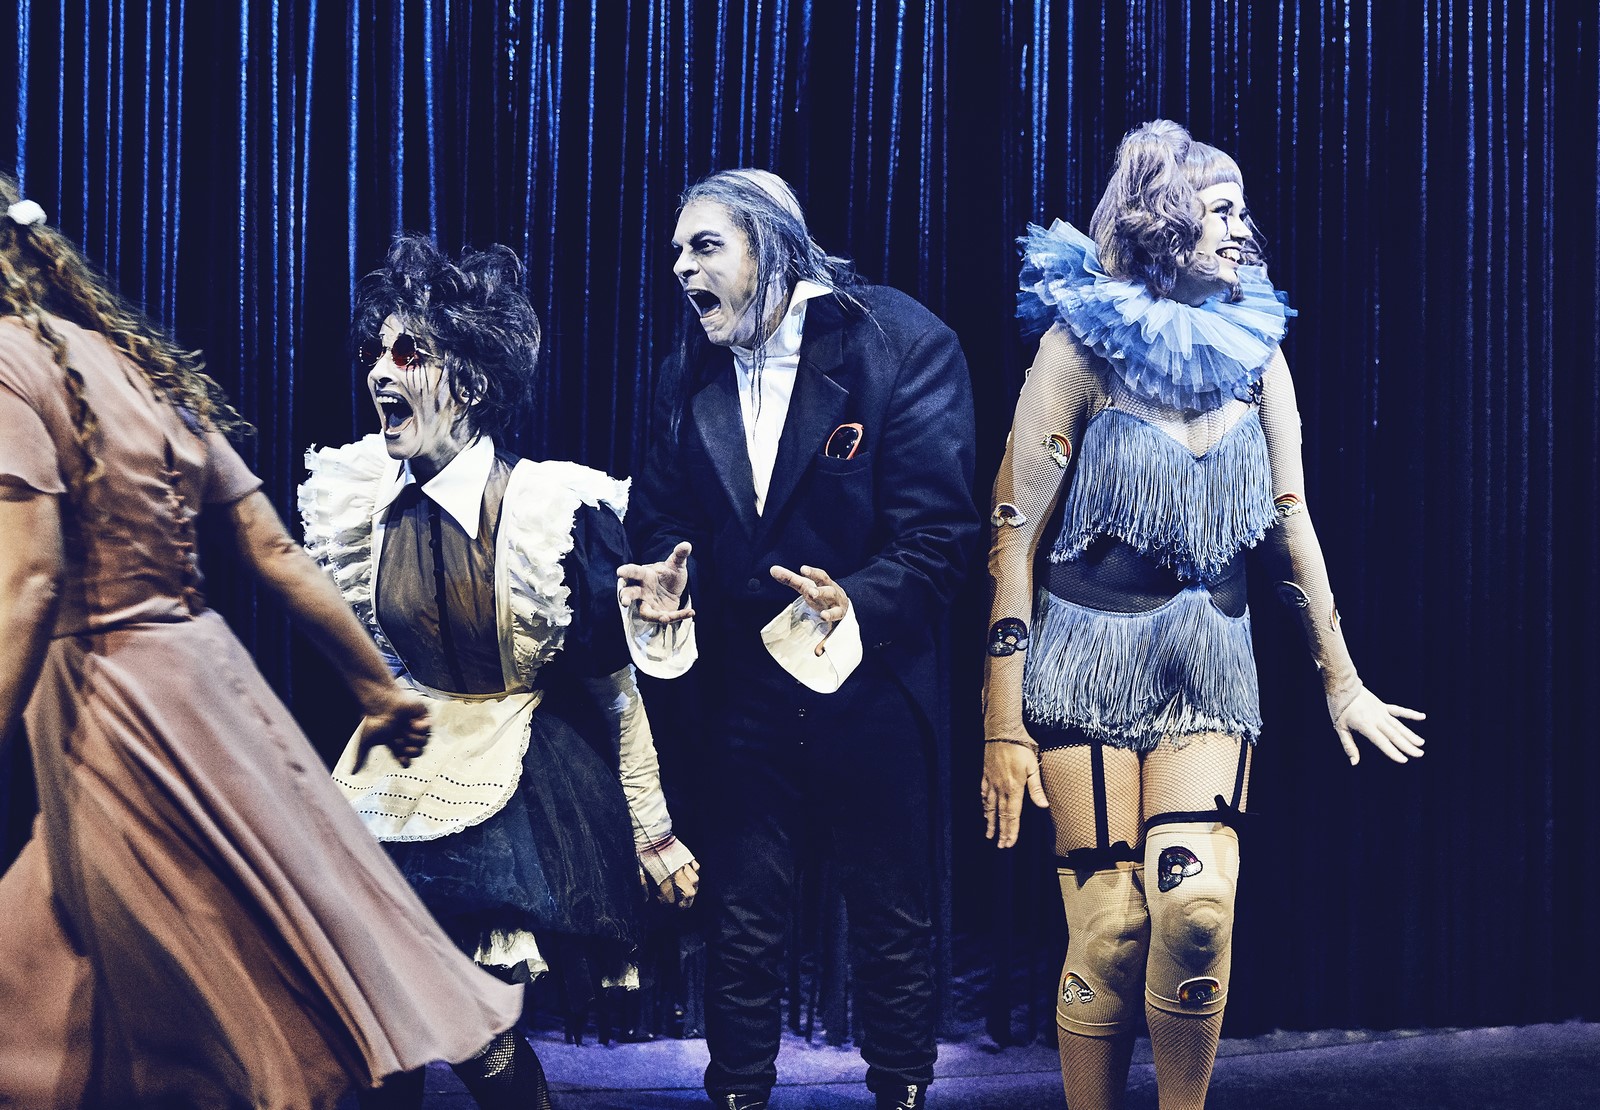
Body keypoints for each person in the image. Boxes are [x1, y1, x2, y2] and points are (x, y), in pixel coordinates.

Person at [0, 178, 523, 1106]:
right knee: (61, 960)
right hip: (209, 683)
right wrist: (376, 689)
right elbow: (274, 551)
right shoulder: (132, 364)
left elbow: (30, 577)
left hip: (110, 706)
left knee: (191, 980)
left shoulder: (9, 365)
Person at [979, 119, 1427, 1109]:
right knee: (1112, 928)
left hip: (1206, 663)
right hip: (1086, 663)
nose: (1240, 227)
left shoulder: (1254, 352)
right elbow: (1013, 534)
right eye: (1219, 209)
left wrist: (1342, 680)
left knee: (1195, 913)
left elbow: (1290, 523)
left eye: (1240, 209)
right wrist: (1002, 725)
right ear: (1163, 219)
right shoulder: (1078, 348)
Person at [299, 234, 700, 1110]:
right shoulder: (360, 496)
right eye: (377, 351)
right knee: (375, 1033)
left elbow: (614, 691)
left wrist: (653, 831)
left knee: (471, 1027)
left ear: (473, 383)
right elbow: (382, 660)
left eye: (411, 352)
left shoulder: (553, 513)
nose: (381, 370)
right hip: (397, 768)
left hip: (514, 777)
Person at [619, 169, 978, 1110]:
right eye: (675, 251)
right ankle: (738, 1093)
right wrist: (664, 574)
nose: (680, 267)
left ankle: (901, 1090)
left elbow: (941, 536)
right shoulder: (687, 370)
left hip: (871, 687)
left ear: (773, 246)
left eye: (704, 245)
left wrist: (856, 598)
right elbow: (662, 516)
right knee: (742, 924)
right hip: (746, 697)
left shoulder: (897, 342)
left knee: (891, 924)